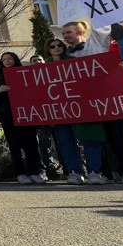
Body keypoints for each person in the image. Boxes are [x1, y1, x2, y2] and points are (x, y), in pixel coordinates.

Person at [63, 21, 123, 185]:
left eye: (68, 32)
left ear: (80, 31)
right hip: (87, 103)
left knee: (118, 136)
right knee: (98, 139)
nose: (65, 36)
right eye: (64, 33)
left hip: (108, 98)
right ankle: (106, 173)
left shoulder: (96, 44)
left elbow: (101, 22)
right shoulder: (66, 54)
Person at [0, 52, 47, 184]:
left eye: (9, 58)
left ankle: (35, 172)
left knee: (31, 144)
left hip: (26, 112)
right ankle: (19, 173)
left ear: (15, 59)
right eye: (4, 59)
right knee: (14, 145)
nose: (7, 61)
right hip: (7, 114)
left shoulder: (25, 72)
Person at [44, 38, 88, 185]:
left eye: (59, 45)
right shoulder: (44, 68)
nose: (56, 48)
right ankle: (74, 171)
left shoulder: (74, 61)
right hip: (58, 111)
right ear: (48, 50)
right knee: (65, 142)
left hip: (78, 108)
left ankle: (95, 171)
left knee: (87, 140)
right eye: (52, 46)